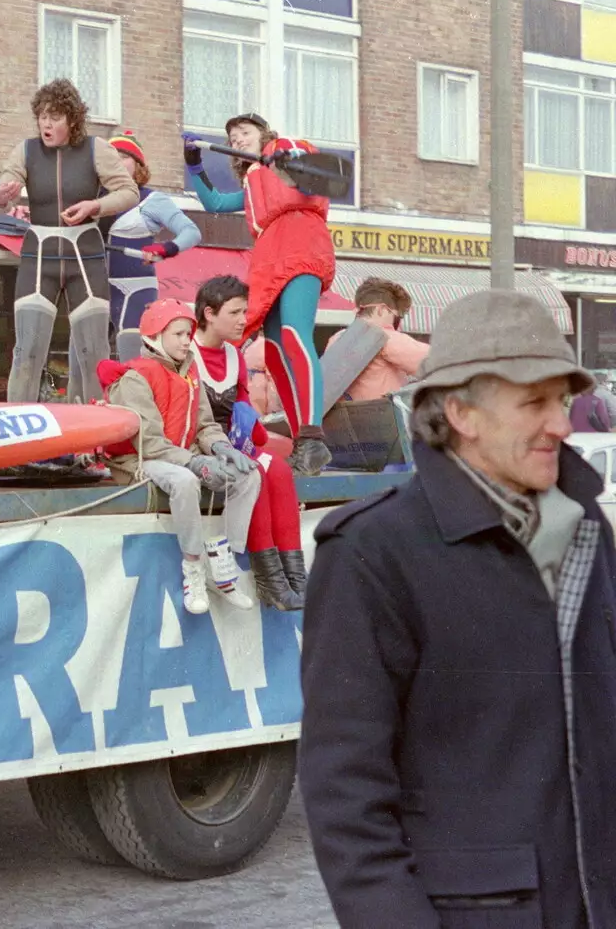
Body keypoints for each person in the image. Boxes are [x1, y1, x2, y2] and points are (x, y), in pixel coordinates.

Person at [300, 290, 616, 929]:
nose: (561, 423)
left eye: (561, 401)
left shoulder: (585, 528)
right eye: (534, 403)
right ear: (462, 413)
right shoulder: (373, 552)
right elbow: (346, 794)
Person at [185, 114, 335, 475]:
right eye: (233, 138)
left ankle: (313, 435)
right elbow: (216, 204)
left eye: (244, 133)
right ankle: (304, 439)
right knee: (275, 348)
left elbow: (314, 168)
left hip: (300, 241)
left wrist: (282, 154)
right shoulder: (255, 180)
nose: (237, 139)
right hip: (270, 254)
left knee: (295, 335)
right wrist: (196, 168)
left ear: (264, 134)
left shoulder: (283, 153)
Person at [99, 299, 261, 614]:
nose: (187, 341)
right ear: (155, 336)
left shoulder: (190, 374)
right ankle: (194, 569)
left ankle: (223, 562)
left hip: (184, 454)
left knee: (249, 475)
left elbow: (205, 424)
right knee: (185, 481)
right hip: (141, 459)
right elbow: (147, 440)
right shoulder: (136, 377)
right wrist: (195, 462)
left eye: (188, 334)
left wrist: (222, 449)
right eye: (178, 334)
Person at [0, 79, 139, 404]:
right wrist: (0, 196)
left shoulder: (96, 148)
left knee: (93, 353)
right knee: (27, 350)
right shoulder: (25, 150)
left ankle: (96, 440)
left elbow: (129, 192)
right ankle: (19, 437)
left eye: (54, 116)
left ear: (72, 119)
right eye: (42, 116)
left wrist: (95, 206)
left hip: (85, 256)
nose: (46, 123)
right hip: (39, 256)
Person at [191, 276, 305, 610]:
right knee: (258, 475)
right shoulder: (188, 350)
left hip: (233, 443)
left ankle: (295, 580)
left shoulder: (234, 355)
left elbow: (244, 410)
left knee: (280, 470)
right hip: (201, 445)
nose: (244, 320)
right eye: (235, 312)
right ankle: (269, 580)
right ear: (209, 313)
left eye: (245, 311)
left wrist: (252, 435)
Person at [107, 130, 203, 359]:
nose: (116, 162)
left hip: (135, 289)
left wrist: (166, 248)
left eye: (123, 156)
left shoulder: (153, 200)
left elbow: (191, 232)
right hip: (97, 288)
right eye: (110, 157)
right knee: (85, 355)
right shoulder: (91, 198)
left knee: (131, 354)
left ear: (138, 164)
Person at [326, 276, 429, 401]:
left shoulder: (337, 338)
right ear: (381, 310)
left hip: (340, 417)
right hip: (380, 417)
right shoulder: (384, 337)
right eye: (396, 318)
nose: (396, 324)